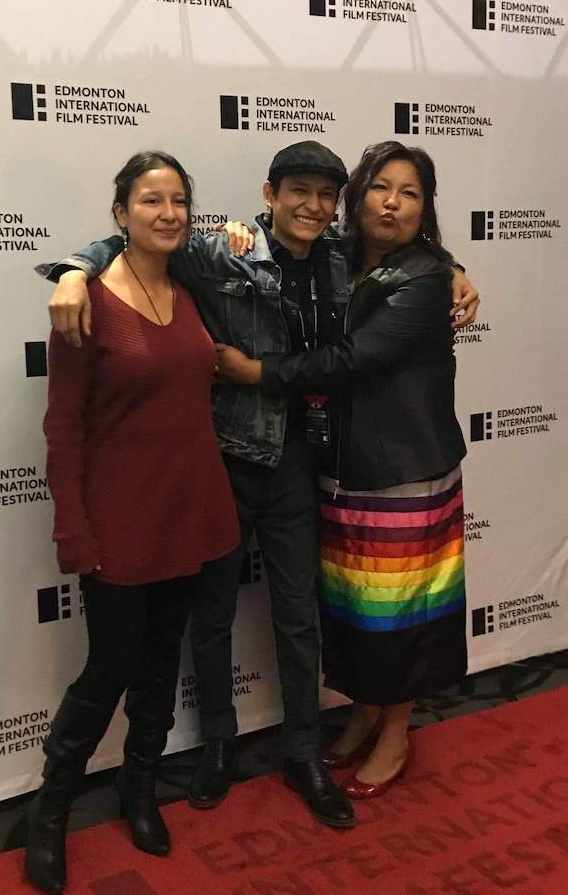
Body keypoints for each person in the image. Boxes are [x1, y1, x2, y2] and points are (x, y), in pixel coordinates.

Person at [36, 141, 478, 828]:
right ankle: (217, 746)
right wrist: (73, 269)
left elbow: (398, 258)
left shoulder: (341, 259)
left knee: (299, 615)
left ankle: (303, 749)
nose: (312, 206)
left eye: (325, 195)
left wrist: (451, 267)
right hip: (224, 460)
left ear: (338, 206)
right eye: (297, 190)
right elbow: (142, 240)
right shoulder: (226, 251)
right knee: (210, 618)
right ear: (269, 195)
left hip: (302, 461)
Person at [215, 141, 469, 799]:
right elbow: (283, 232)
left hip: (406, 465)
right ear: (356, 199)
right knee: (358, 605)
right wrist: (238, 229)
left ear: (425, 208)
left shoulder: (424, 276)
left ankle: (397, 729)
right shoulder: (341, 257)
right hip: (339, 466)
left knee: (405, 609)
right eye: (381, 187)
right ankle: (363, 709)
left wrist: (258, 373)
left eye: (409, 193)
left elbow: (354, 356)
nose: (392, 202)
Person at [25, 151, 240, 895]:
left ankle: (139, 791)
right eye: (151, 200)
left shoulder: (192, 289)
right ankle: (49, 812)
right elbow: (63, 431)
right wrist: (74, 533)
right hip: (118, 526)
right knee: (107, 672)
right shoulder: (82, 302)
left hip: (195, 515)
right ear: (120, 214)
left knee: (158, 668)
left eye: (180, 199)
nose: (169, 213)